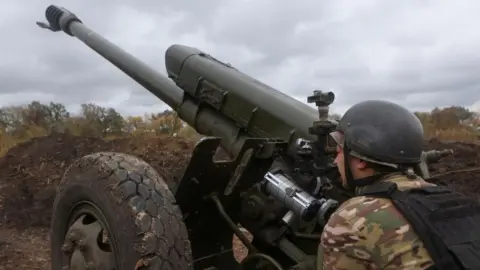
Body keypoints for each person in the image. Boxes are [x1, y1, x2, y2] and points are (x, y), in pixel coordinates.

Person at [317, 100, 480, 270]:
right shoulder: (459, 202)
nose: (335, 161)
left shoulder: (353, 219)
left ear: (359, 160)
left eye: (340, 152)